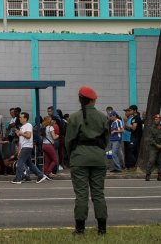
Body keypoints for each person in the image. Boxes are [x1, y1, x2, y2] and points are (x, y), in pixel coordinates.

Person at [65, 85, 109, 236]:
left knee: (82, 195)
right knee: (98, 194)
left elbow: (69, 140)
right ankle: (102, 230)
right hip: (98, 158)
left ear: (80, 100)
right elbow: (106, 140)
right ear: (93, 100)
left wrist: (71, 155)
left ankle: (80, 229)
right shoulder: (103, 117)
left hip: (79, 158)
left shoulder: (75, 117)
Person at [13, 112, 48, 184]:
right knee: (29, 163)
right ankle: (40, 175)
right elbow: (23, 137)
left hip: (27, 146)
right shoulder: (23, 126)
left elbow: (28, 136)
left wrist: (21, 133)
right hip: (25, 146)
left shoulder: (28, 125)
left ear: (25, 118)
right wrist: (18, 133)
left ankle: (18, 178)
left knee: (20, 162)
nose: (19, 119)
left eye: (21, 117)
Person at [144, 113, 161, 181]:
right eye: (155, 119)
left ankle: (159, 175)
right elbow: (150, 138)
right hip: (153, 147)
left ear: (160, 120)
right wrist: (156, 145)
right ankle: (148, 174)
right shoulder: (151, 128)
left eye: (157, 119)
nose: (156, 120)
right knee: (151, 160)